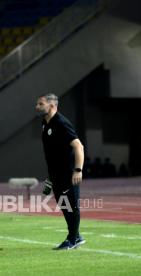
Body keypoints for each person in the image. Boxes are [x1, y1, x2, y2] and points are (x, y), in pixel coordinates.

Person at [35, 93, 86, 250]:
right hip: (56, 174)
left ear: (51, 105)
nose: (37, 107)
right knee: (64, 206)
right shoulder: (45, 123)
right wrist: (50, 177)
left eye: (40, 104)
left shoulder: (61, 123)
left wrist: (78, 170)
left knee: (72, 206)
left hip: (68, 174)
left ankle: (72, 239)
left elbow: (79, 146)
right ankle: (75, 236)